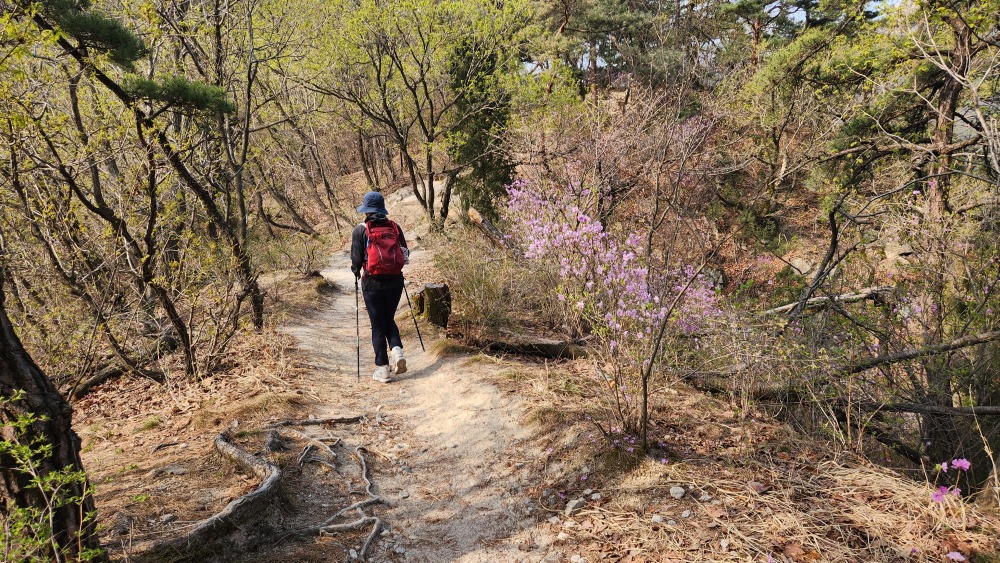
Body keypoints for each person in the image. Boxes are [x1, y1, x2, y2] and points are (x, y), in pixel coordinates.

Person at [351, 191, 409, 383]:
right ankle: (397, 350)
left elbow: (356, 261)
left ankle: (383, 369)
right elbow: (405, 254)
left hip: (372, 283)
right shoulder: (395, 227)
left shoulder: (361, 229)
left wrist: (356, 271)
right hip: (395, 281)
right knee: (388, 318)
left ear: (366, 210)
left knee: (378, 325)